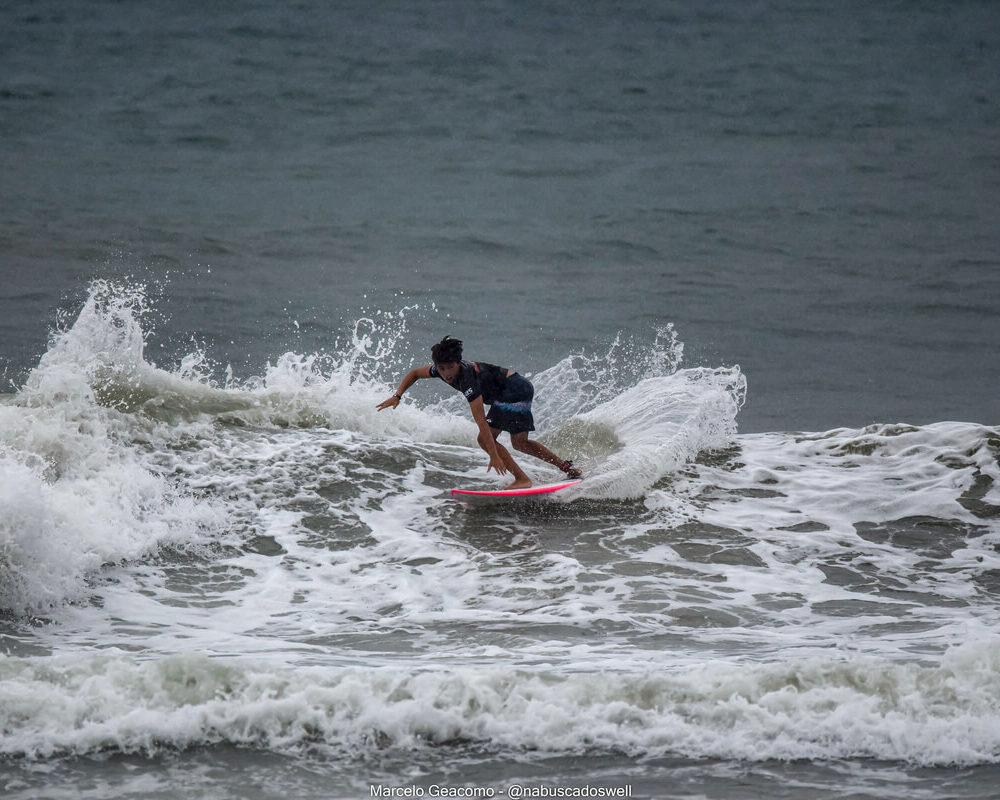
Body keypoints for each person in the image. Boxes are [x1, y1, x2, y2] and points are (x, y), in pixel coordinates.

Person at [377, 336, 582, 489]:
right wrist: (398, 395)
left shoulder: (467, 380)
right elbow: (414, 374)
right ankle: (567, 468)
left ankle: (522, 479)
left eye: (450, 367)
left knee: (485, 439)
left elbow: (481, 421)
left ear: (458, 363)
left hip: (514, 389)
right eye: (441, 368)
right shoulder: (438, 371)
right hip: (520, 386)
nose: (446, 373)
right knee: (520, 443)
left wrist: (494, 455)